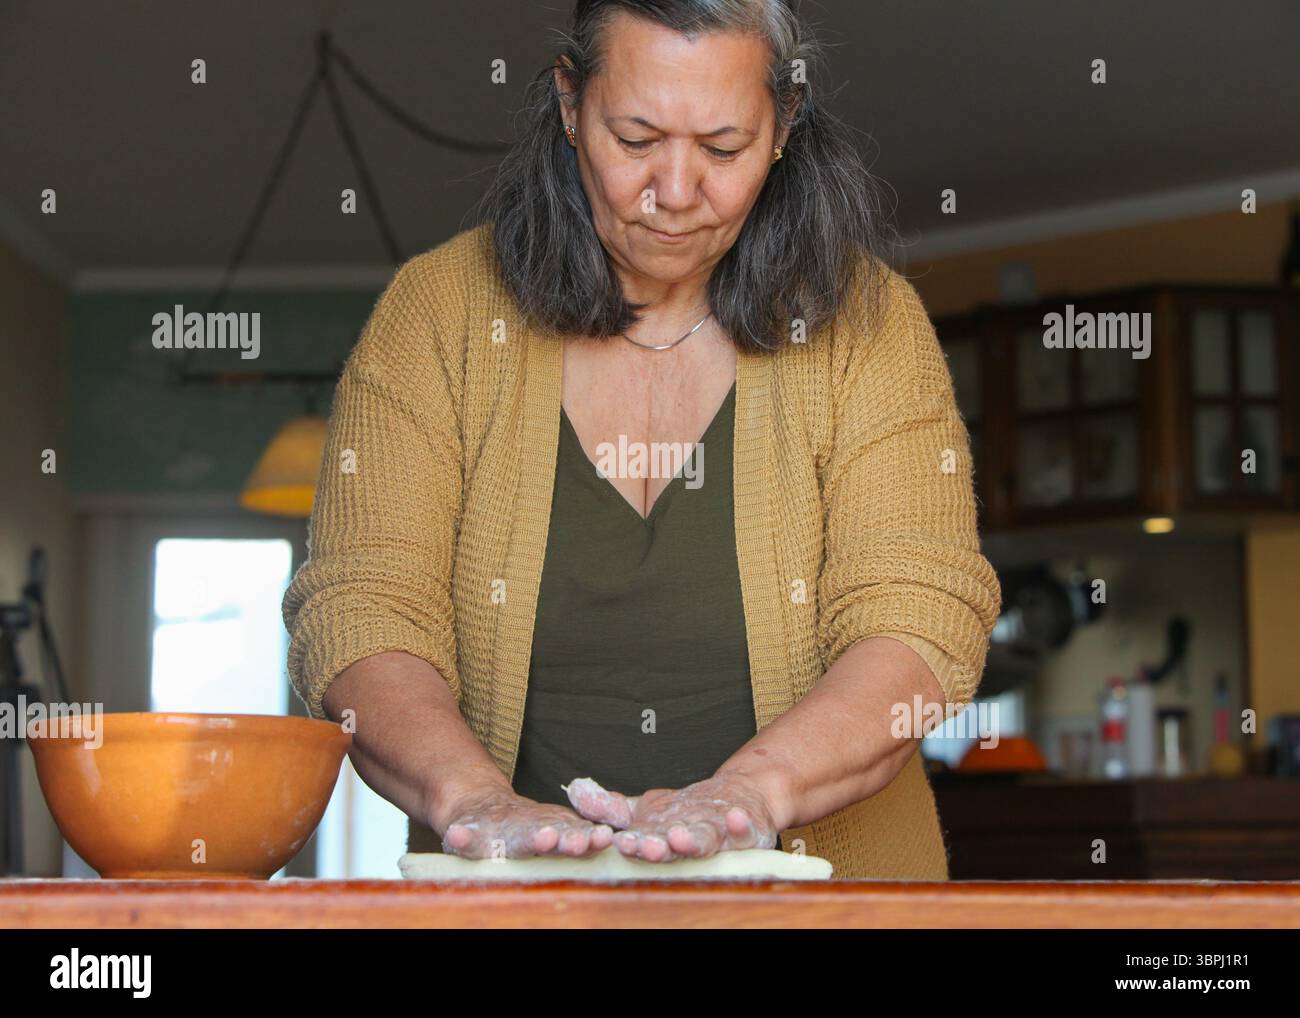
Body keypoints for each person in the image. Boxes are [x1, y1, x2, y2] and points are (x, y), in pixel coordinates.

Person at [282, 0, 1001, 879]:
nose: (675, 191)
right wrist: (472, 802)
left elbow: (918, 616)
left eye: (724, 148)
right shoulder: (437, 317)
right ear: (568, 106)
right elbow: (365, 609)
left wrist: (751, 795)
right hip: (508, 916)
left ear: (784, 126)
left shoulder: (868, 324)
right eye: (635, 139)